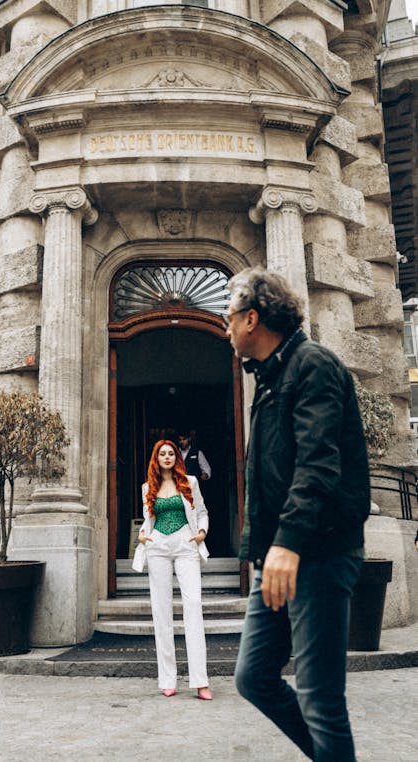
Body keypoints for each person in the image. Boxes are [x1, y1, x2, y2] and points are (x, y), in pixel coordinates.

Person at [226, 268, 370, 761]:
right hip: (280, 555)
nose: (225, 328)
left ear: (251, 319)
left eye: (228, 317)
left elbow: (317, 463)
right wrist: (268, 550)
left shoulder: (313, 365)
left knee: (319, 695)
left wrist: (287, 543)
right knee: (254, 677)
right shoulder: (268, 378)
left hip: (321, 552)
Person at [132, 439, 212, 700]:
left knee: (193, 604)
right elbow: (147, 519)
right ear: (156, 458)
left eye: (170, 453)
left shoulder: (190, 482)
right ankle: (168, 679)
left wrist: (201, 533)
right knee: (161, 610)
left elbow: (201, 512)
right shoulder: (148, 487)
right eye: (162, 454)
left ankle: (200, 681)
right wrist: (144, 536)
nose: (167, 457)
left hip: (185, 544)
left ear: (176, 457)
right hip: (158, 547)